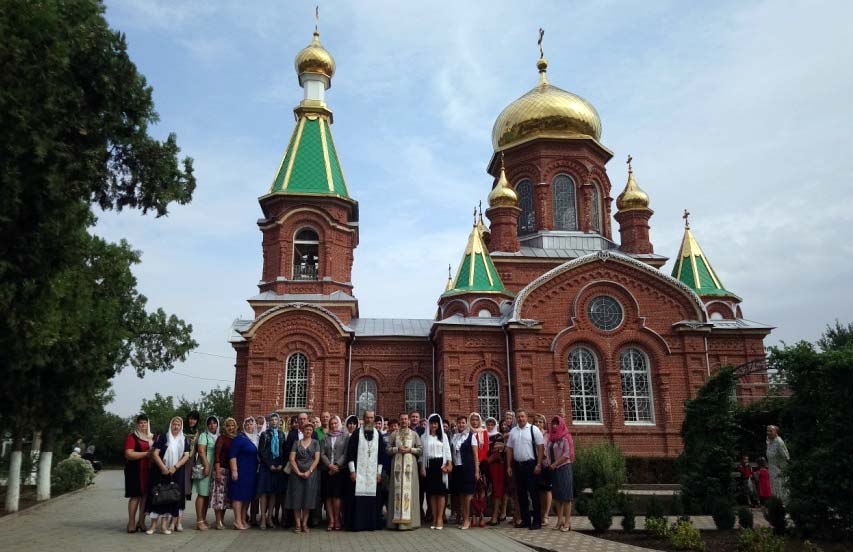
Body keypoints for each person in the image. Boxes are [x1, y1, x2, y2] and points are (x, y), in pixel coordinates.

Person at [146, 416, 191, 535]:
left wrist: (175, 467)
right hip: (161, 471)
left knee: (169, 498)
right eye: (174, 424)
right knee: (158, 497)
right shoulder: (163, 437)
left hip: (176, 472)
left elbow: (186, 455)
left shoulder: (184, 439)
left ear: (181, 426)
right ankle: (153, 526)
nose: (176, 426)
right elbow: (155, 454)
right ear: (170, 425)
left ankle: (164, 526)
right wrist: (163, 468)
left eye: (178, 425)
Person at [346, 410, 387, 531]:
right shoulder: (356, 433)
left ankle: (371, 524)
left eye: (371, 418)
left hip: (373, 474)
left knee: (372, 500)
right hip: (358, 473)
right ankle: (358, 524)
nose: (369, 420)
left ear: (374, 419)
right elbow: (350, 453)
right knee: (357, 499)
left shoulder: (378, 434)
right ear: (363, 419)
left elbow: (381, 455)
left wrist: (379, 473)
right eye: (367, 418)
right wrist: (352, 471)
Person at [506, 408, 545, 530]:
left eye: (522, 416)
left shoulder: (534, 430)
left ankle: (537, 521)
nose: (520, 419)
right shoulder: (513, 431)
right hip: (518, 465)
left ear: (526, 417)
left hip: (531, 465)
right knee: (521, 494)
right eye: (518, 417)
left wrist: (538, 464)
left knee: (533, 494)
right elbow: (509, 449)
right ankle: (526, 520)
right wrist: (508, 465)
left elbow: (540, 447)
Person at [386, 412, 422, 530]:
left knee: (409, 492)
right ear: (399, 421)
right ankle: (395, 522)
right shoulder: (394, 434)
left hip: (410, 467)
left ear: (409, 421)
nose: (404, 421)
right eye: (402, 419)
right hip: (396, 467)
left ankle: (410, 523)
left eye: (406, 419)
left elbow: (421, 450)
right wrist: (397, 449)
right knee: (395, 492)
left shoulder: (414, 434)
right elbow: (387, 449)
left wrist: (410, 449)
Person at [285, 420, 321, 533]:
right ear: (302, 430)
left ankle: (305, 524)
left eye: (310, 429)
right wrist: (298, 472)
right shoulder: (296, 442)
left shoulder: (315, 443)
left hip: (311, 475)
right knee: (297, 499)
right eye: (306, 429)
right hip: (296, 475)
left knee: (308, 499)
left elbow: (317, 459)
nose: (308, 431)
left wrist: (309, 471)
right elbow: (291, 459)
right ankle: (297, 524)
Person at [420, 414, 451, 530]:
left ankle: (440, 518)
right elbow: (422, 455)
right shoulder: (424, 437)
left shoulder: (443, 436)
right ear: (429, 424)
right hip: (429, 466)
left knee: (441, 493)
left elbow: (447, 452)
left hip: (441, 465)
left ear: (438, 425)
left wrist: (449, 464)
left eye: (435, 423)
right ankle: (434, 518)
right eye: (432, 423)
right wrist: (422, 467)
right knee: (432, 493)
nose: (433, 425)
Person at [124, 414, 153, 533]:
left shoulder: (152, 437)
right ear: (137, 424)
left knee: (145, 497)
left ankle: (141, 522)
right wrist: (146, 454)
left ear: (148, 424)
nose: (143, 425)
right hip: (134, 471)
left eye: (145, 423)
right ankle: (131, 522)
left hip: (149, 470)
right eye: (141, 423)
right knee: (135, 496)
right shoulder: (132, 437)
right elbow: (129, 454)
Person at [257, 412, 286, 529]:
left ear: (279, 422)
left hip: (278, 467)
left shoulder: (281, 434)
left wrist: (281, 464)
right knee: (264, 493)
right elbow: (261, 451)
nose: (274, 422)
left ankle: (270, 517)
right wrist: (269, 464)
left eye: (276, 420)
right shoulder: (264, 434)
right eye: (272, 420)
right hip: (266, 467)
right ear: (269, 422)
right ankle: (263, 518)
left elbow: (284, 451)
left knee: (274, 493)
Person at [545, 416, 574, 532]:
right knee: (557, 497)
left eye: (557, 423)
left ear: (561, 424)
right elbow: (547, 451)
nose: (555, 426)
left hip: (563, 468)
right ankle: (559, 521)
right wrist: (549, 463)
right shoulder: (551, 438)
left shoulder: (566, 437)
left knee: (566, 497)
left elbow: (567, 454)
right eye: (553, 424)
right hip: (554, 469)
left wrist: (555, 464)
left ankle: (567, 522)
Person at [228, 417, 258, 530]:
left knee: (247, 497)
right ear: (244, 426)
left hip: (251, 472)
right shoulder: (239, 439)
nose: (250, 426)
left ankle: (243, 519)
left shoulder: (255, 438)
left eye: (252, 424)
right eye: (248, 424)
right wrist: (234, 471)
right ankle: (237, 521)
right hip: (241, 471)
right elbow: (232, 455)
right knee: (238, 496)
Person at [451, 414, 480, 529]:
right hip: (457, 468)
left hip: (468, 468)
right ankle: (464, 517)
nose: (461, 425)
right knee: (461, 494)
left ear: (466, 423)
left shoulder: (471, 436)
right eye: (459, 423)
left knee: (468, 495)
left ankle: (467, 519)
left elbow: (475, 455)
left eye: (463, 423)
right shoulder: (455, 436)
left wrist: (477, 471)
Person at [192, 415, 219, 530]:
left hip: (213, 467)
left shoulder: (217, 436)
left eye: (214, 423)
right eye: (210, 423)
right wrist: (207, 465)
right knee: (202, 494)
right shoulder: (204, 435)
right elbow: (201, 452)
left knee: (207, 495)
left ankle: (203, 518)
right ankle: (199, 520)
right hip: (204, 466)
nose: (212, 425)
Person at [321, 416, 347, 531]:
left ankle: (337, 519)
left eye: (335, 423)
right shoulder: (324, 437)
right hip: (327, 470)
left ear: (339, 424)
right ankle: (331, 520)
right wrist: (329, 465)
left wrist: (336, 465)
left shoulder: (344, 436)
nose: (333, 426)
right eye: (331, 424)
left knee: (337, 496)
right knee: (328, 496)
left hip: (339, 470)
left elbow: (345, 453)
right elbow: (322, 453)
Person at [211, 417, 237, 530]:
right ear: (225, 427)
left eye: (232, 425)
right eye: (228, 425)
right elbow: (216, 455)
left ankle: (221, 519)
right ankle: (217, 521)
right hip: (221, 469)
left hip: (230, 470)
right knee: (218, 497)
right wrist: (217, 471)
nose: (230, 428)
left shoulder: (235, 438)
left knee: (225, 498)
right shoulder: (221, 438)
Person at [484, 417, 507, 526]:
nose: (490, 426)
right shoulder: (483, 435)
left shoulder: (499, 436)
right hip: (486, 466)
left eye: (492, 424)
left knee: (497, 490)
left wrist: (485, 461)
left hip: (496, 466)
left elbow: (497, 453)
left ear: (495, 425)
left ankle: (495, 516)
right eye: (488, 424)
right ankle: (491, 514)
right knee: (488, 490)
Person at [533, 414, 552, 525]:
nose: (538, 424)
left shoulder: (548, 435)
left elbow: (551, 448)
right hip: (535, 464)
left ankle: (546, 515)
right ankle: (541, 513)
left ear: (544, 423)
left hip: (546, 464)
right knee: (539, 490)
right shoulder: (532, 434)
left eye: (540, 422)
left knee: (547, 489)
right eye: (536, 422)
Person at [765, 425, 790, 501]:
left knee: (780, 489)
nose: (768, 433)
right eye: (767, 431)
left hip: (779, 470)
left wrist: (783, 469)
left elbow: (786, 457)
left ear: (776, 432)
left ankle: (783, 505)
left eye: (771, 431)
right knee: (774, 490)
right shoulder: (769, 441)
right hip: (772, 470)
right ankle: (776, 505)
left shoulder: (779, 442)